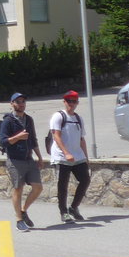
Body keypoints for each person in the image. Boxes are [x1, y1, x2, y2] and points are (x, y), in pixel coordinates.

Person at [0, 92, 44, 231]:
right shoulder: (7, 121)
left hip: (29, 158)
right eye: (18, 102)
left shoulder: (29, 119)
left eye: (23, 101)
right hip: (15, 160)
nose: (21, 104)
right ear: (12, 104)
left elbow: (33, 139)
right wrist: (18, 137)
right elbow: (3, 141)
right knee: (18, 189)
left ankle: (23, 210)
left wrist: (39, 157)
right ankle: (19, 219)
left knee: (38, 187)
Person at [49, 89, 90, 223]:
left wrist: (86, 157)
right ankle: (63, 212)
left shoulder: (78, 118)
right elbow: (56, 136)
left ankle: (73, 207)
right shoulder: (58, 116)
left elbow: (81, 139)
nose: (71, 104)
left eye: (74, 101)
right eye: (68, 101)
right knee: (63, 184)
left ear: (77, 102)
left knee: (85, 180)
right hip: (62, 156)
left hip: (77, 156)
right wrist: (66, 153)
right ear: (64, 101)